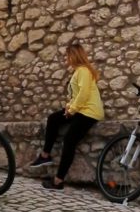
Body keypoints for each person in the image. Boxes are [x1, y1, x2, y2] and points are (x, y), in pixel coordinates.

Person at [29, 43, 105, 190]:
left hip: (89, 112)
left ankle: (58, 181)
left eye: (67, 55)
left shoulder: (83, 70)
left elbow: (84, 94)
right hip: (80, 110)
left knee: (69, 140)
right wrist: (69, 108)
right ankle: (45, 155)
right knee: (54, 118)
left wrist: (72, 109)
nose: (66, 58)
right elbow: (77, 95)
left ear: (73, 56)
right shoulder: (79, 71)